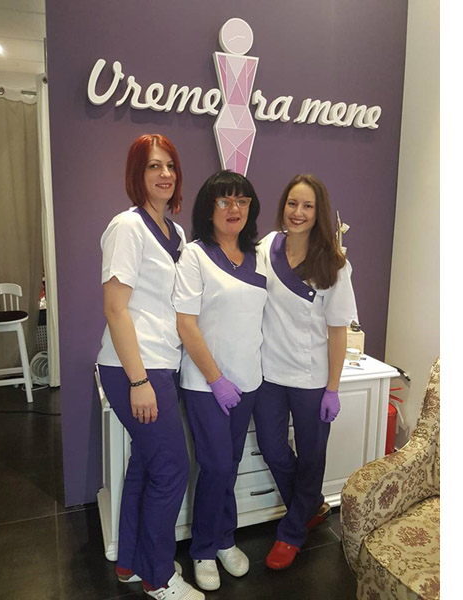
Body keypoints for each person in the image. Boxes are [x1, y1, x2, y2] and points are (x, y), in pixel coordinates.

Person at [96, 133, 203, 600]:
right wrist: (139, 381)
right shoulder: (127, 227)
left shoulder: (175, 233)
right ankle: (159, 577)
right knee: (172, 467)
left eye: (170, 166)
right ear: (136, 174)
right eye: (153, 166)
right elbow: (115, 309)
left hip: (163, 364)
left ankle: (130, 561)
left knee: (145, 463)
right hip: (134, 368)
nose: (164, 174)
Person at [253, 173, 359, 570]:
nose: (298, 212)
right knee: (272, 447)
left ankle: (292, 531)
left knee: (312, 456)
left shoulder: (334, 265)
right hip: (268, 373)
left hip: (312, 378)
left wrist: (332, 388)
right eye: (292, 203)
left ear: (319, 212)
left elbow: (337, 331)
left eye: (308, 206)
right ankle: (310, 504)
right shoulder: (267, 247)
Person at [174, 171, 266, 591]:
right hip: (205, 383)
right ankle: (203, 549)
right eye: (224, 201)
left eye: (242, 201)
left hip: (248, 381)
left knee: (230, 464)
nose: (234, 209)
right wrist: (216, 379)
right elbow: (186, 324)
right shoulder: (195, 256)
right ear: (208, 209)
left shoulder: (258, 257)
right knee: (213, 466)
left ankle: (226, 537)